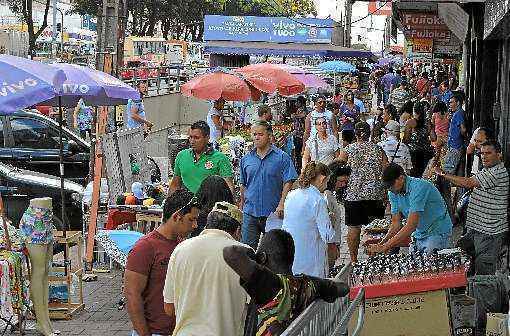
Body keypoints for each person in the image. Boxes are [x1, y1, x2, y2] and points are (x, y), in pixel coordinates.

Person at [223, 229, 349, 336]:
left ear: (262, 258)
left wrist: (252, 257)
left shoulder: (269, 285)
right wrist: (324, 282)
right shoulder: (305, 285)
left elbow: (231, 253)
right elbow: (343, 288)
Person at [163, 202, 249, 336]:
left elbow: (169, 308)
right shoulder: (246, 253)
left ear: (207, 225)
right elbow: (254, 307)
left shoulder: (181, 249)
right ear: (237, 230)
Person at [125, 190, 200, 336]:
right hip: (154, 331)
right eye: (191, 219)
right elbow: (132, 293)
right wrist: (144, 333)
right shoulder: (145, 247)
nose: (195, 225)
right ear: (177, 217)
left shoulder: (183, 245)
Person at [435, 140, 508, 274]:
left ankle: (481, 293)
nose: (484, 156)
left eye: (488, 153)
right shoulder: (487, 170)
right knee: (460, 255)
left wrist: (443, 174)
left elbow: (468, 183)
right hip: (476, 229)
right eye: (482, 153)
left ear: (499, 155)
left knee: (484, 271)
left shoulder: (496, 173)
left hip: (489, 232)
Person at [367, 163, 453, 255]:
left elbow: (411, 225)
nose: (390, 189)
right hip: (419, 232)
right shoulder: (393, 191)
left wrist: (386, 246)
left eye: (391, 185)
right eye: (388, 186)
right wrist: (381, 245)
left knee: (430, 265)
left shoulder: (419, 187)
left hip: (437, 231)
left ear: (401, 178)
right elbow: (396, 224)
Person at [240, 121, 298, 250]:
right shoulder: (246, 159)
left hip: (273, 213)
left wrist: (282, 203)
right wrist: (241, 207)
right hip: (250, 212)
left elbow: (288, 181)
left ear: (270, 136)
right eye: (254, 134)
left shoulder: (282, 158)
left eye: (260, 134)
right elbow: (243, 185)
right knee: (247, 251)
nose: (256, 137)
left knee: (274, 252)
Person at [338, 121, 387, 263]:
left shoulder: (347, 150)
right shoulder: (378, 150)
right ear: (369, 133)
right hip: (374, 195)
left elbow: (338, 168)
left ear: (355, 134)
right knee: (375, 230)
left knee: (354, 228)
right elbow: (386, 170)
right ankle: (373, 259)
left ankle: (354, 261)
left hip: (353, 195)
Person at [282, 162, 336, 278]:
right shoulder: (317, 199)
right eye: (327, 182)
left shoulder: (291, 195)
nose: (326, 186)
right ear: (322, 178)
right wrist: (331, 219)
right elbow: (327, 236)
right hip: (312, 262)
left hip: (292, 257)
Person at [170, 121, 234, 194]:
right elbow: (175, 185)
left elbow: (229, 187)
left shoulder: (220, 158)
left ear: (207, 138)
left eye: (196, 138)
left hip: (210, 204)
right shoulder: (181, 155)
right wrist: (167, 204)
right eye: (190, 137)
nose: (192, 141)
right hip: (186, 204)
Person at [404, 101, 434, 177]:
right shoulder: (428, 123)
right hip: (425, 154)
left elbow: (406, 140)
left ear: (414, 111)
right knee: (422, 175)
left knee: (414, 175)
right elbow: (434, 138)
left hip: (413, 154)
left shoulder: (410, 122)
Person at [443, 93, 467, 175]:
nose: (450, 105)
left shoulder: (459, 113)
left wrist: (464, 138)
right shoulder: (457, 113)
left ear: (458, 103)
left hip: (455, 145)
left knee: (448, 170)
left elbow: (463, 129)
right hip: (454, 144)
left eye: (451, 102)